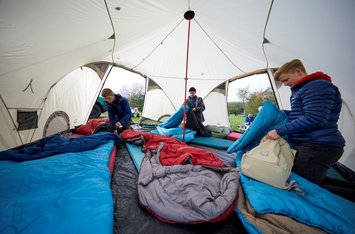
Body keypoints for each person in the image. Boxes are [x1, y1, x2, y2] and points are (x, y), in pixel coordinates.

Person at [266, 59, 345, 185]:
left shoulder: (316, 86)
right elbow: (304, 114)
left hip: (318, 146)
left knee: (305, 186)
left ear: (298, 71)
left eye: (286, 80)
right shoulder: (303, 89)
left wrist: (279, 131)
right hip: (314, 144)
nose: (285, 84)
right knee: (313, 180)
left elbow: (314, 119)